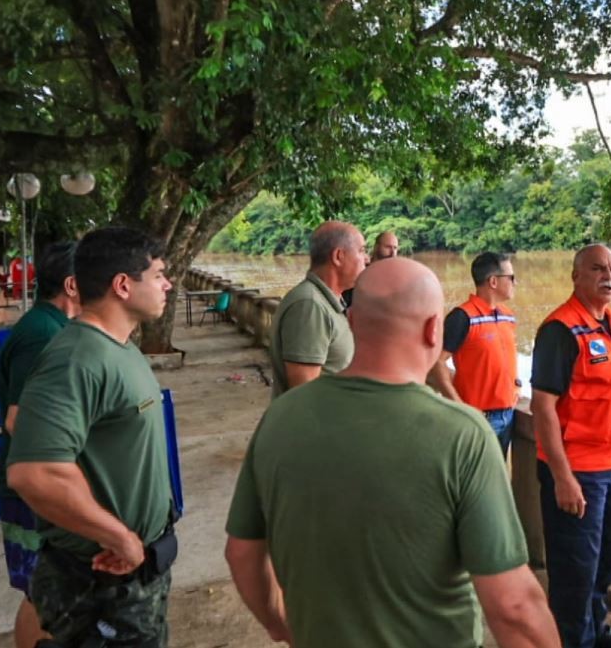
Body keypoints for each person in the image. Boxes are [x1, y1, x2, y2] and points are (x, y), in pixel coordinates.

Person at [225, 258, 560, 648]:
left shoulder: (281, 417)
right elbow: (514, 606)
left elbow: (242, 553)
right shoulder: (462, 436)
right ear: (435, 329)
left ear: (350, 323)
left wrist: (278, 622)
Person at [7, 227, 176, 647]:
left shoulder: (119, 346)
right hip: (99, 579)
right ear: (122, 285)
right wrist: (117, 536)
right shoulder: (77, 358)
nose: (167, 284)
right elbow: (35, 472)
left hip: (135, 571)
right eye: (157, 275)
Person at [531, 244, 611, 648]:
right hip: (578, 472)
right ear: (576, 276)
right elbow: (543, 407)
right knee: (574, 574)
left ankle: (595, 633)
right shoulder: (559, 330)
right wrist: (563, 477)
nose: (608, 276)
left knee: (603, 565)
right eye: (598, 268)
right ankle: (571, 640)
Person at [0, 241, 81, 648]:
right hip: (33, 485)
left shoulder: (54, 327)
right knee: (39, 591)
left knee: (46, 588)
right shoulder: (40, 334)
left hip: (41, 480)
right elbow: (19, 417)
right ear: (72, 284)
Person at [427, 251, 520, 456]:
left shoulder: (508, 316)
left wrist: (516, 385)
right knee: (473, 483)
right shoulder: (463, 317)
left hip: (509, 414)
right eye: (511, 277)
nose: (516, 282)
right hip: (478, 418)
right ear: (493, 281)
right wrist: (459, 405)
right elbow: (436, 362)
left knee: (497, 480)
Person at [270, 221, 366, 396]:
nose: (366, 258)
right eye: (361, 250)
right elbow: (304, 394)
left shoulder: (328, 301)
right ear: (338, 256)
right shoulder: (310, 306)